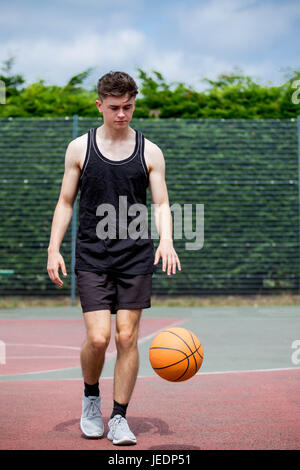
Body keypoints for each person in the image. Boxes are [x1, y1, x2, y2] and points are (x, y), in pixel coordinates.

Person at [47, 71, 181, 445]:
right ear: (99, 105)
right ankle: (91, 399)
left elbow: (161, 202)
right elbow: (65, 202)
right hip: (92, 255)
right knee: (98, 338)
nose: (122, 114)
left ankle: (119, 417)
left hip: (135, 256)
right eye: (114, 108)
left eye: (128, 107)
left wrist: (166, 240)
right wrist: (53, 247)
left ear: (134, 103)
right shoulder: (79, 148)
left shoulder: (150, 151)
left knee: (126, 337)